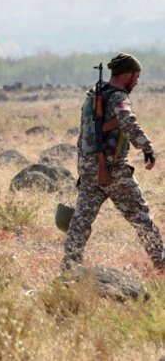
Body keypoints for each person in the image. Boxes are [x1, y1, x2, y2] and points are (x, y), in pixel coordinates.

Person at [61, 53, 165, 271]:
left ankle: (69, 268)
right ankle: (162, 264)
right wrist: (146, 147)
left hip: (89, 171)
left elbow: (85, 134)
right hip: (114, 170)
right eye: (136, 76)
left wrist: (85, 169)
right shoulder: (117, 96)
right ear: (126, 75)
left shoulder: (92, 95)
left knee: (80, 223)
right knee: (141, 218)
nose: (137, 81)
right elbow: (128, 122)